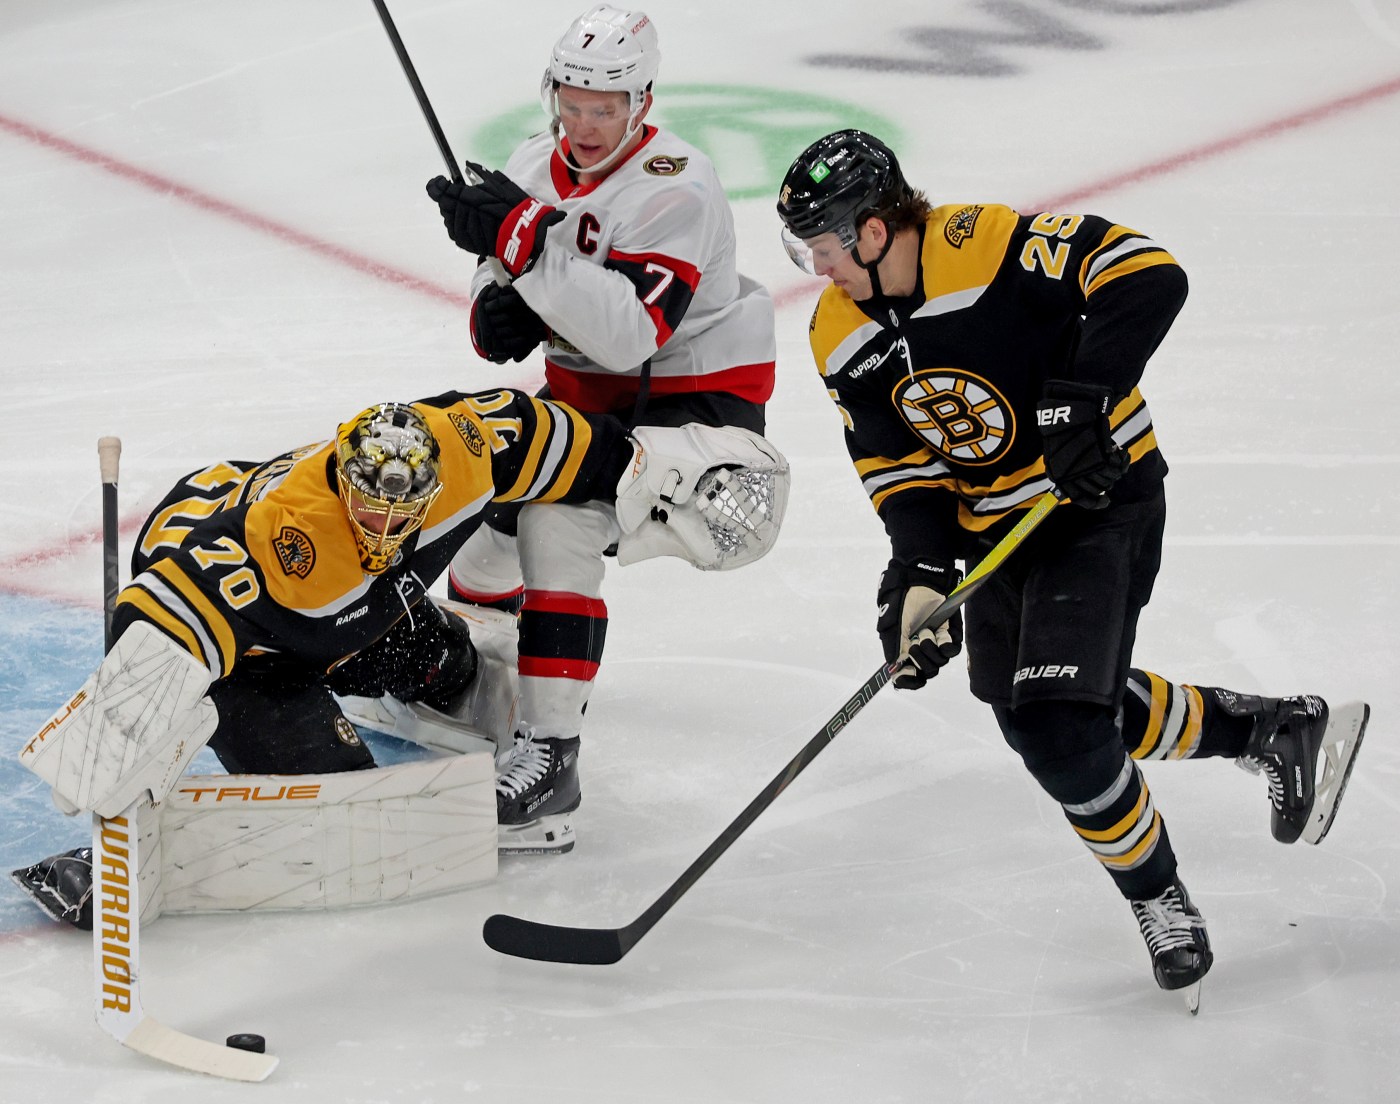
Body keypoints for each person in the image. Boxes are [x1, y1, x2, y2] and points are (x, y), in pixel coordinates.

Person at [775, 129, 1370, 1007]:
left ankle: (1159, 897)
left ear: (871, 231)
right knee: (1035, 713)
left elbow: (1147, 273)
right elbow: (899, 470)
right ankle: (1266, 730)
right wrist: (921, 573)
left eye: (821, 248)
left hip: (1098, 503)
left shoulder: (982, 244)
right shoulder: (838, 332)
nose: (816, 269)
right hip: (998, 534)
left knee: (1060, 726)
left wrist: (1084, 398)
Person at [14, 389, 787, 926]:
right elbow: (164, 618)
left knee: (447, 667)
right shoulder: (289, 543)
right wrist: (118, 731)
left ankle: (388, 664)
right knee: (345, 815)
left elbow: (548, 435)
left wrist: (652, 476)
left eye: (403, 511)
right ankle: (144, 857)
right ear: (343, 487)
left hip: (348, 612)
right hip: (253, 641)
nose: (385, 529)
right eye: (370, 508)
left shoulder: (463, 452)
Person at [423, 5, 777, 854]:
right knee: (485, 535)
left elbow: (628, 336)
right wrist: (492, 306)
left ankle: (553, 753)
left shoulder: (678, 185)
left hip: (698, 424)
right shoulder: (530, 164)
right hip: (590, 412)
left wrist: (521, 241)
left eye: (604, 110)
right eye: (573, 105)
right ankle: (479, 680)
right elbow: (503, 268)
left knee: (561, 515)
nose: (584, 126)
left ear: (641, 102)